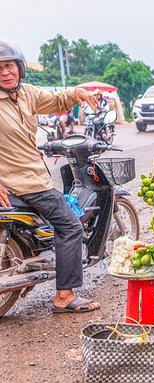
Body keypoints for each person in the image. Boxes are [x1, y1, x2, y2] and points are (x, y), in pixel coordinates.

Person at [0, 40, 101, 313]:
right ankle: (64, 296)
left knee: (49, 225)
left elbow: (56, 101)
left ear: (20, 68)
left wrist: (77, 93)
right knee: (70, 226)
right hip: (25, 184)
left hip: (34, 178)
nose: (5, 72)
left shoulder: (27, 95)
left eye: (9, 65)